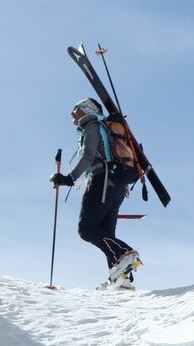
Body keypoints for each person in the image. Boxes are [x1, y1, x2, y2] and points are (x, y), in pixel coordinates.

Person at [51, 98, 142, 287]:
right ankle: (121, 279)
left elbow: (88, 156)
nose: (71, 114)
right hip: (115, 184)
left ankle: (125, 253)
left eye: (74, 109)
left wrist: (69, 178)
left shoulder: (91, 125)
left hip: (102, 180)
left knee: (87, 229)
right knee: (106, 232)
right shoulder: (104, 129)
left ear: (86, 109)